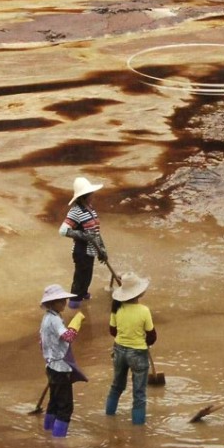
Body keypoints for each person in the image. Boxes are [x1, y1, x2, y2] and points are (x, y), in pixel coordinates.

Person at [105, 272, 157, 425]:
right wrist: (144, 342)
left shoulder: (117, 309)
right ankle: (138, 428)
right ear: (139, 293)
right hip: (138, 353)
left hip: (119, 351)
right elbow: (152, 336)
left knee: (117, 386)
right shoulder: (144, 311)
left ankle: (109, 416)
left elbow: (113, 331)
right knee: (139, 393)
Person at [39, 284, 88, 438]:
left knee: (54, 402)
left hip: (51, 366)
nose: (64, 303)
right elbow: (69, 337)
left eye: (64, 300)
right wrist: (77, 322)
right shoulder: (54, 320)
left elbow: (41, 343)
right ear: (52, 303)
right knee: (65, 407)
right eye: (61, 301)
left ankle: (48, 431)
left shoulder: (47, 318)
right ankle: (58, 441)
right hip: (60, 368)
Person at [59, 176, 109, 310]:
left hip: (91, 250)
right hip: (81, 251)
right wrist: (83, 235)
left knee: (88, 274)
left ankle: (83, 293)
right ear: (85, 196)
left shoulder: (90, 209)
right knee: (80, 275)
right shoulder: (75, 211)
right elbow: (63, 230)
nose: (93, 195)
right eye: (90, 194)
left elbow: (95, 233)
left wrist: (102, 250)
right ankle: (75, 300)